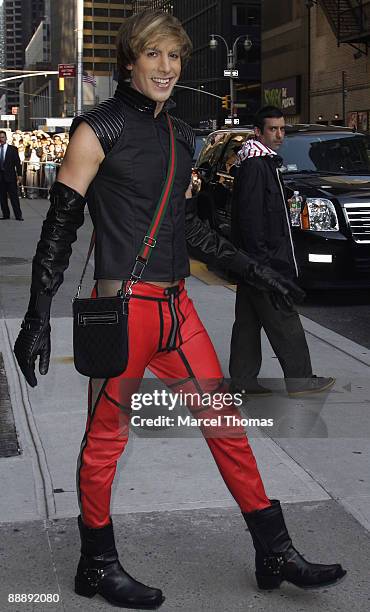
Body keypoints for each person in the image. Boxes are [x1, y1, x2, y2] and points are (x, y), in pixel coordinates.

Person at [13, 11, 345, 609]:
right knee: (105, 442)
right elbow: (58, 229)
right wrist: (39, 314)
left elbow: (186, 227)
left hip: (179, 312)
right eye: (155, 55)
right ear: (130, 60)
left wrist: (254, 269)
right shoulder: (96, 130)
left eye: (174, 57)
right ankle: (96, 564)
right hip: (126, 311)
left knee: (228, 427)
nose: (166, 68)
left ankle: (273, 549)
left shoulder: (179, 135)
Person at [229, 106, 335, 397]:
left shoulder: (263, 162)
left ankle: (243, 380)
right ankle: (301, 381)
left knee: (248, 322)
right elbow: (250, 219)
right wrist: (262, 265)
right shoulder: (256, 165)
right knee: (284, 317)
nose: (279, 134)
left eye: (282, 129)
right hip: (263, 262)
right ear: (258, 132)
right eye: (272, 129)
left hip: (254, 262)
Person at [0, 130, 23, 220]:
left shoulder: (13, 149)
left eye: (2, 137)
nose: (1, 139)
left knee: (14, 197)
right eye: (0, 137)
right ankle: (6, 215)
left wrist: (20, 175)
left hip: (11, 177)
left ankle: (18, 215)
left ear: (6, 138)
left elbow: (18, 163)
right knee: (2, 198)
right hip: (1, 178)